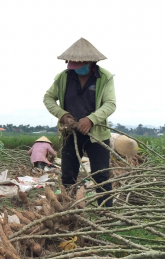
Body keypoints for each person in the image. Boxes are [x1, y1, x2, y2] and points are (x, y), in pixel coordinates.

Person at [43, 38, 116, 206]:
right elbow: (48, 98)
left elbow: (110, 104)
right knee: (68, 175)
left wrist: (91, 120)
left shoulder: (104, 78)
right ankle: (68, 210)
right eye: (73, 63)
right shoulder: (64, 77)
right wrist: (62, 115)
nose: (76, 66)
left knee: (101, 175)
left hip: (96, 133)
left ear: (91, 62)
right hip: (70, 133)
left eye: (80, 63)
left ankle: (106, 214)